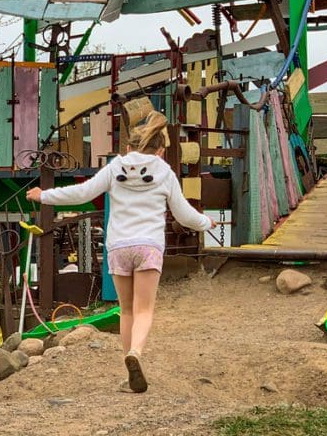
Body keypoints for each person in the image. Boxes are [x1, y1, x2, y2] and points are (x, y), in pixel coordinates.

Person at [26, 110, 213, 393]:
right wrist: (206, 222)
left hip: (119, 247)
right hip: (148, 246)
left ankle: (129, 376)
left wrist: (45, 196)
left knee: (125, 311)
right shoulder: (164, 172)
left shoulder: (116, 167)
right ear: (160, 150)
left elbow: (82, 193)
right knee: (144, 310)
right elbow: (184, 214)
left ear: (127, 148)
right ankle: (135, 353)